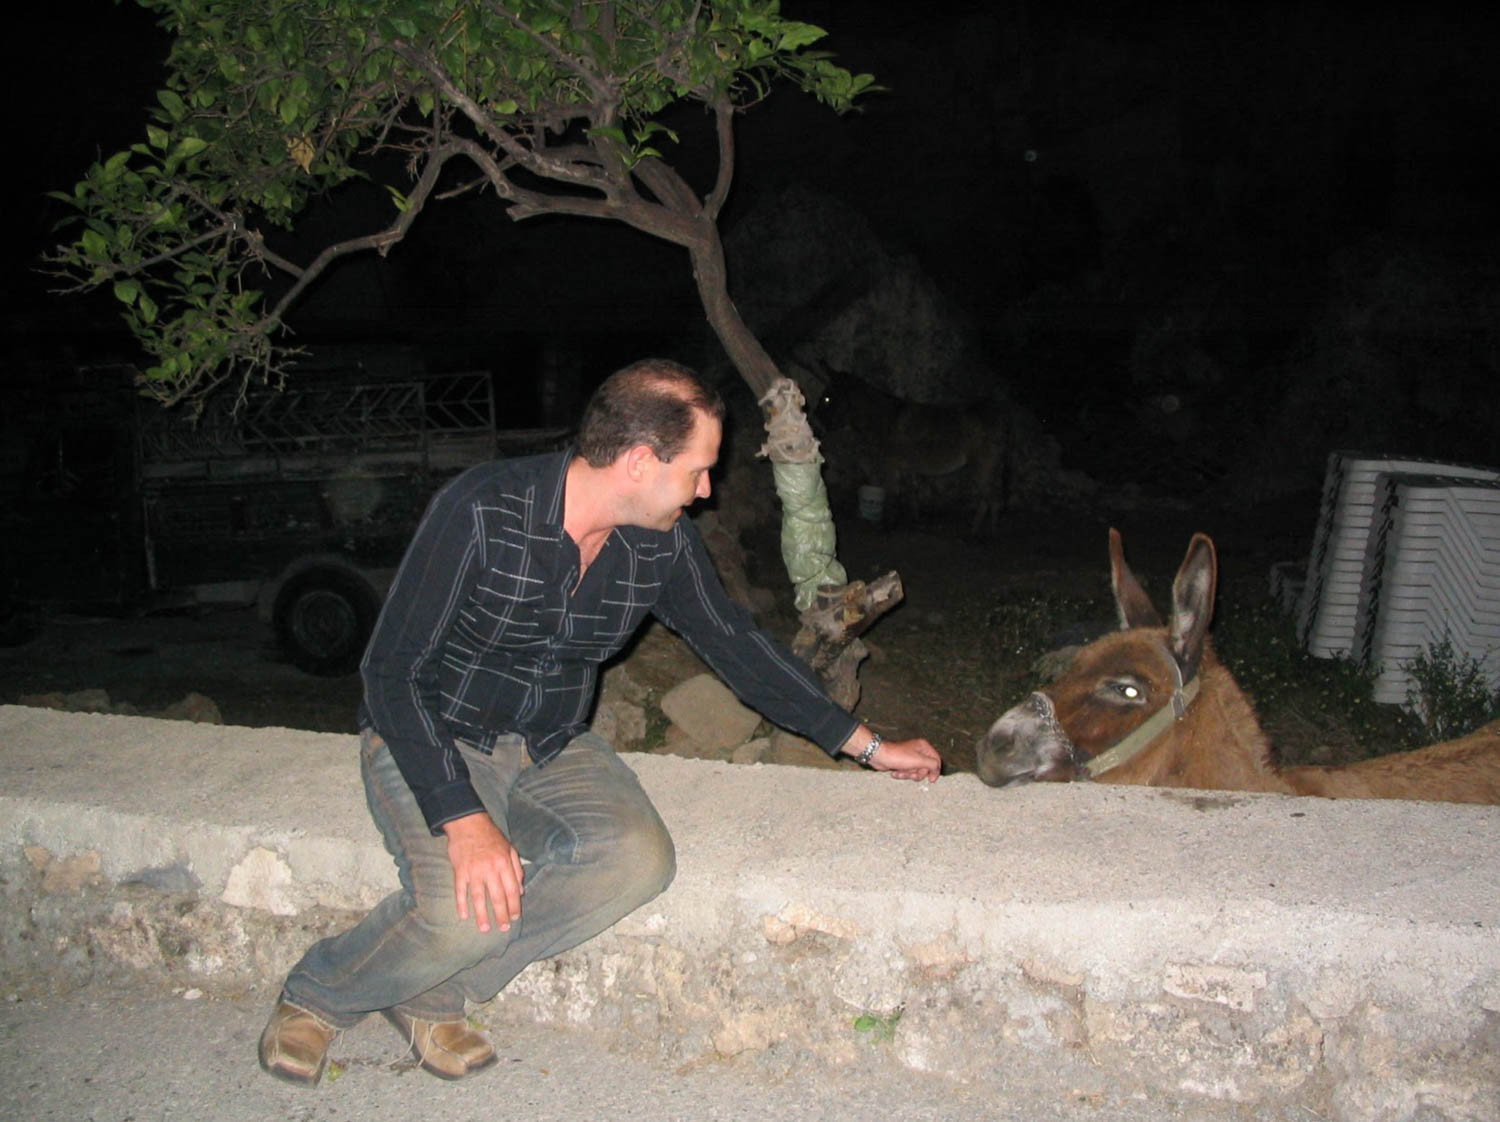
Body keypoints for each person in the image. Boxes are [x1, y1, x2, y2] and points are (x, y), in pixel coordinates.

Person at [258, 358, 942, 1085]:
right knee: (460, 913)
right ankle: (318, 994)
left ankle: (435, 990)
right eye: (699, 470)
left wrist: (865, 745)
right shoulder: (485, 509)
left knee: (637, 861)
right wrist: (462, 816)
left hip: (553, 742)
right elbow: (391, 673)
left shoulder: (660, 545)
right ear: (640, 462)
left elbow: (737, 646)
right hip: (434, 731)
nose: (707, 490)